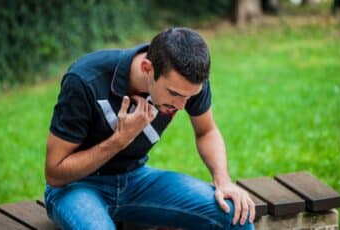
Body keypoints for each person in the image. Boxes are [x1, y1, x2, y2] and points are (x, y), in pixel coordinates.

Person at [44, 27, 255, 229]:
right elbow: (54, 173)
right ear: (147, 69)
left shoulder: (188, 83)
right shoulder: (86, 80)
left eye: (189, 97)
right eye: (174, 94)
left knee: (237, 214)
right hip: (76, 187)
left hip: (136, 179)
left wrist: (223, 180)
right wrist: (120, 139)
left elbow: (206, 131)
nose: (182, 105)